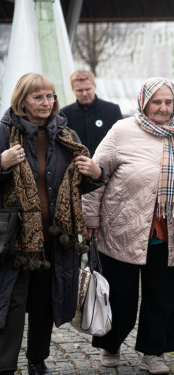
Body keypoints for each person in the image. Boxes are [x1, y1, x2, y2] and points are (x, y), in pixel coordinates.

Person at [82, 77, 174, 375]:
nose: (163, 107)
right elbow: (97, 175)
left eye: (168, 101)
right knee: (120, 295)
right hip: (122, 228)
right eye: (156, 101)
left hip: (167, 232)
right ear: (143, 102)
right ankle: (111, 342)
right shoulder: (122, 131)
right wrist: (90, 219)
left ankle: (154, 352)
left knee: (162, 296)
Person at [0, 72, 103, 375]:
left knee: (44, 304)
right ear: (22, 100)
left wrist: (96, 173)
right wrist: (2, 164)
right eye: (38, 97)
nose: (47, 103)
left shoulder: (65, 135)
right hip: (15, 239)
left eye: (51, 96)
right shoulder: (4, 133)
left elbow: (77, 187)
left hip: (54, 238)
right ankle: (5, 365)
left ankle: (37, 361)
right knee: (12, 304)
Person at [60, 70, 124, 156]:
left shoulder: (112, 110)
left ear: (94, 86)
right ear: (72, 89)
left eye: (88, 89)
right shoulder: (65, 114)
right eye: (79, 90)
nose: (84, 94)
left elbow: (122, 141)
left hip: (106, 166)